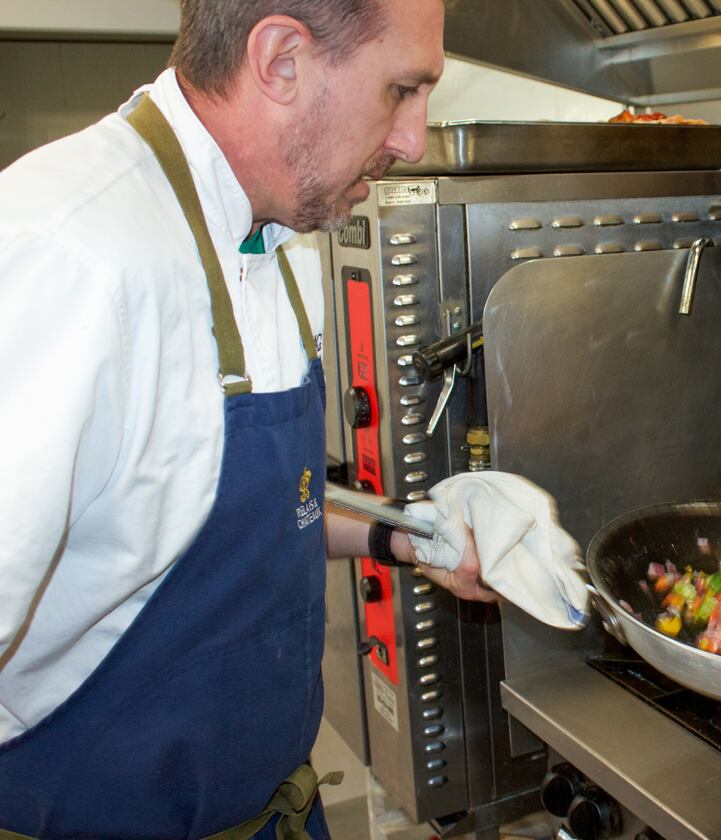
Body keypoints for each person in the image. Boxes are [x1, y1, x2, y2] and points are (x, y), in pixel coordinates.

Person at [0, 0, 499, 837]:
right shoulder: (67, 252)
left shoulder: (275, 235)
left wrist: (409, 535)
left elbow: (250, 507)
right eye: (401, 90)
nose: (413, 137)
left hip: (276, 812)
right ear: (280, 60)